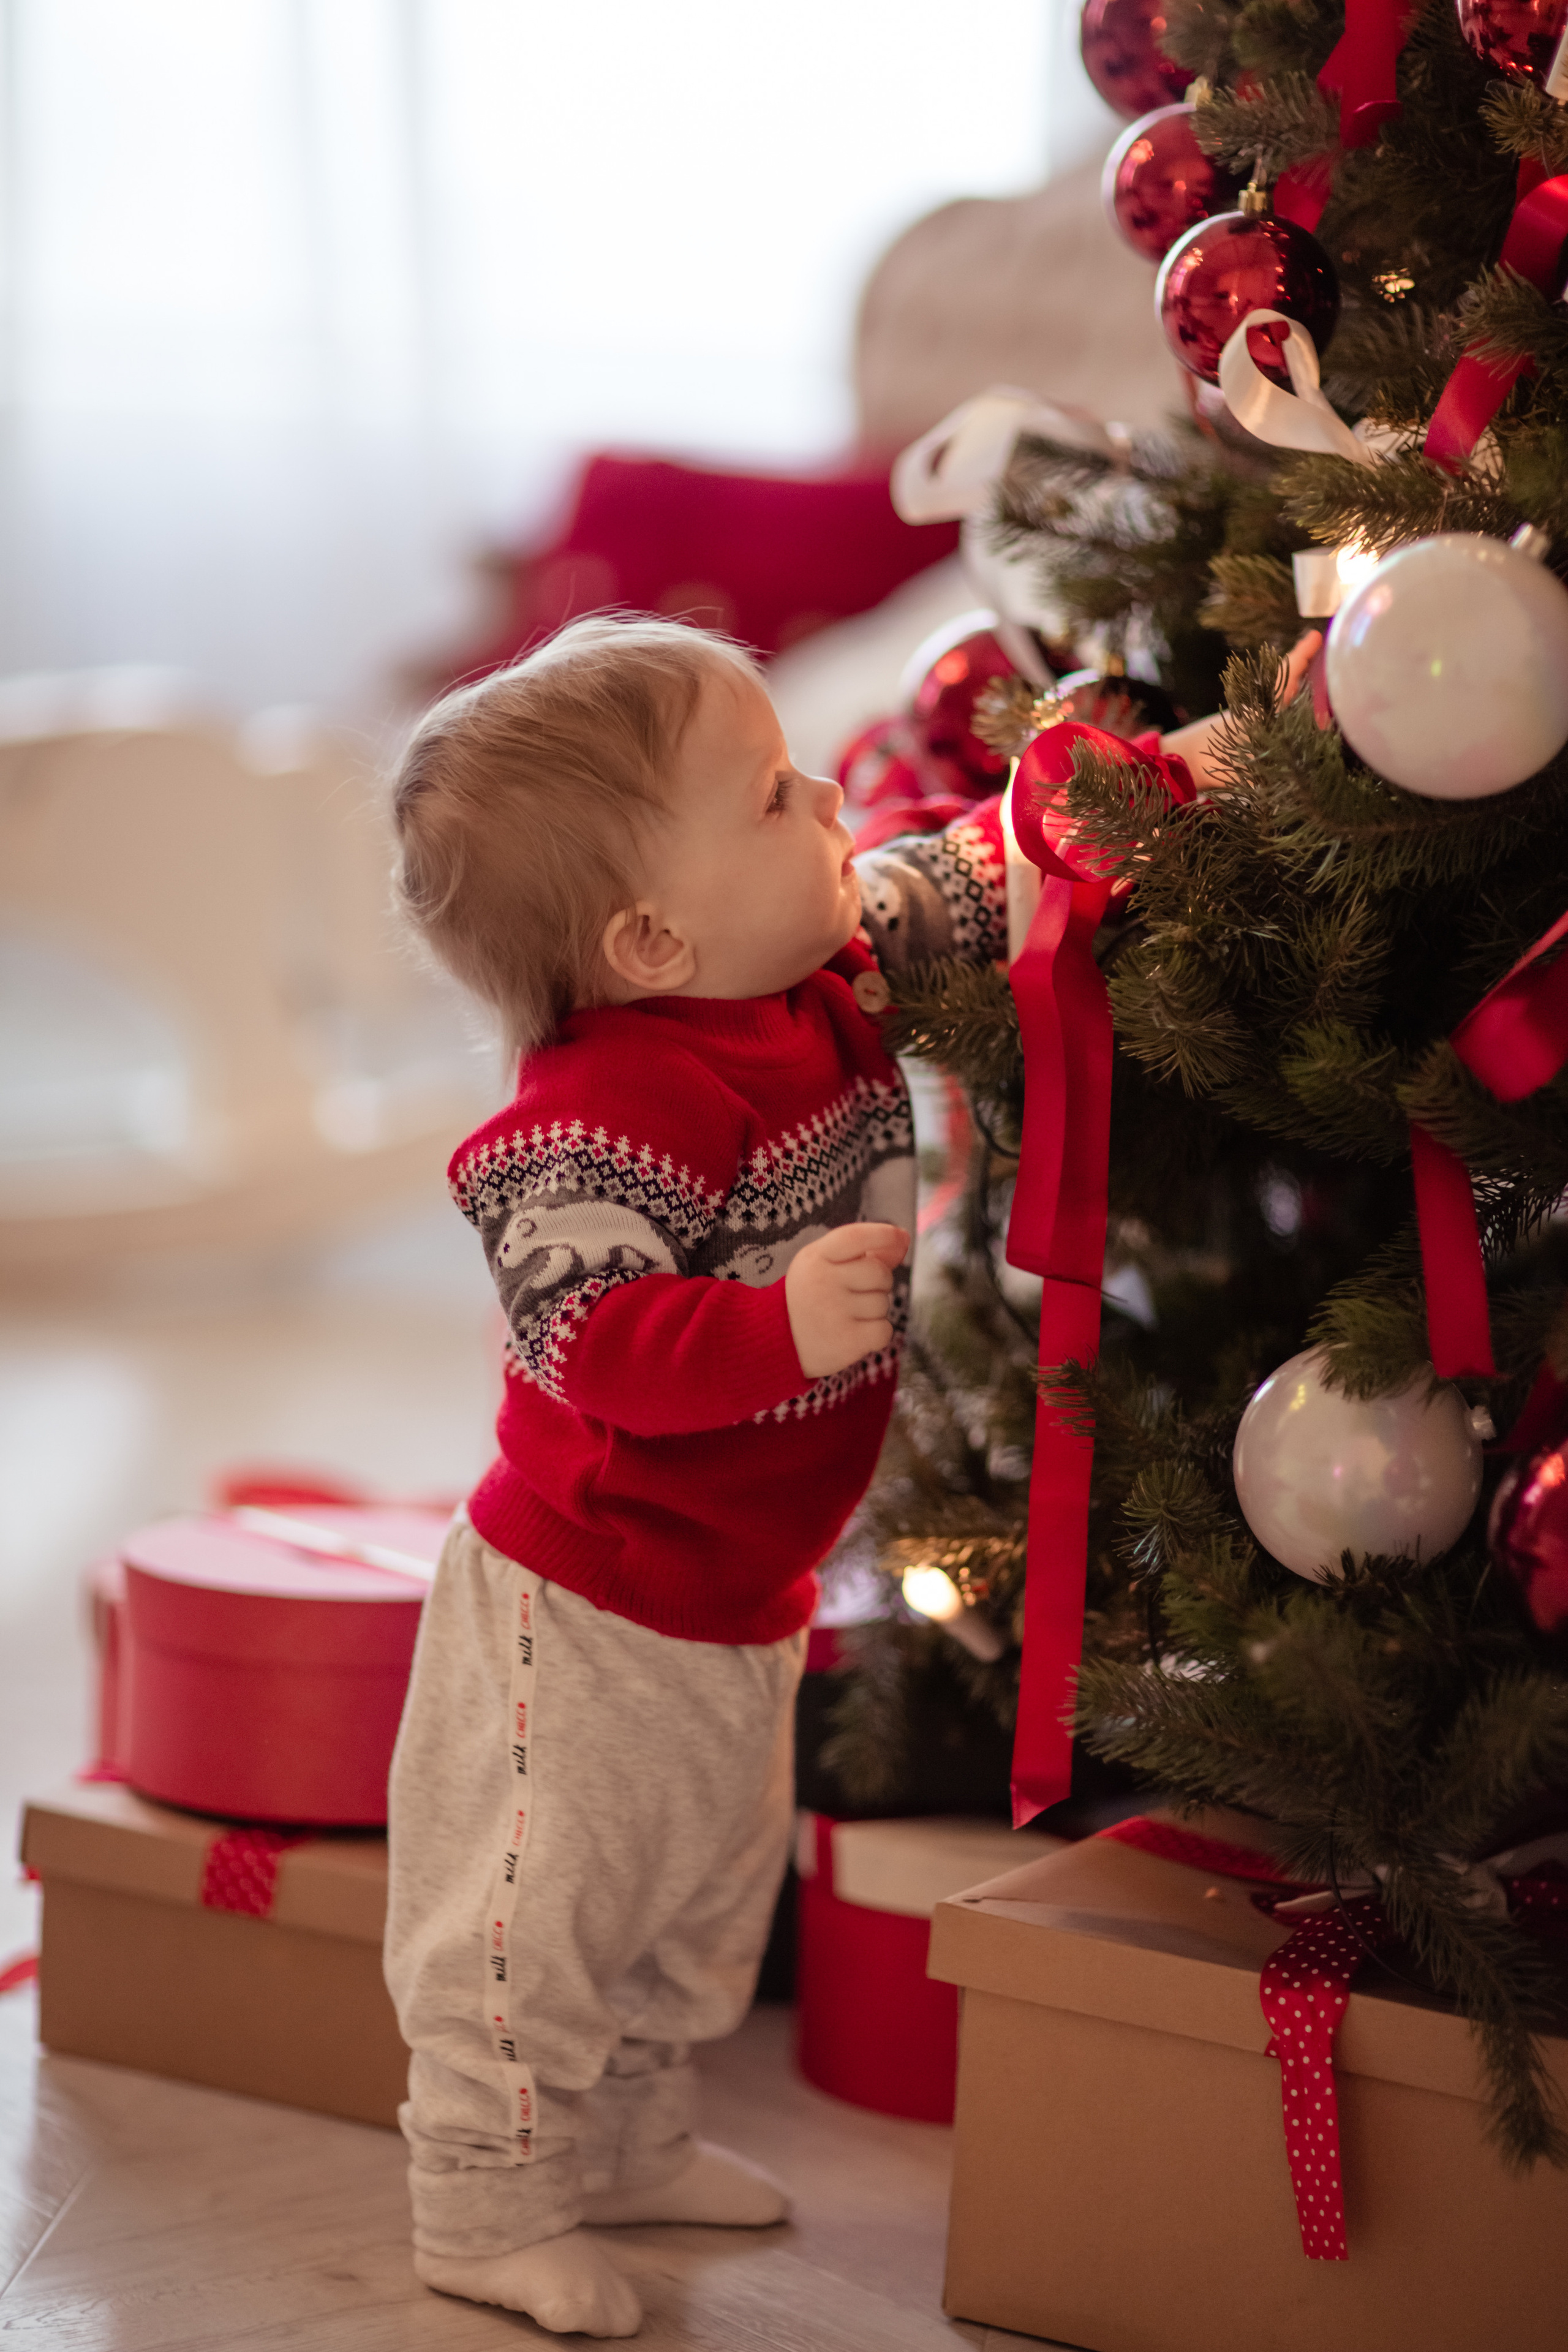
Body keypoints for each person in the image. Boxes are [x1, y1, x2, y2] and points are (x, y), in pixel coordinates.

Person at [380, 609, 1296, 2337]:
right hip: (580, 1608)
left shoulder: (815, 965)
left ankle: (638, 2138)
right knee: (534, 1918)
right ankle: (483, 2202)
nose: (826, 799)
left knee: (701, 1902)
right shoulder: (583, 1125)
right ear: (651, 939)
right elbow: (587, 1338)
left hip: (741, 1592)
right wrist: (767, 1328)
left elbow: (975, 868)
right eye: (774, 795)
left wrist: (1181, 786)